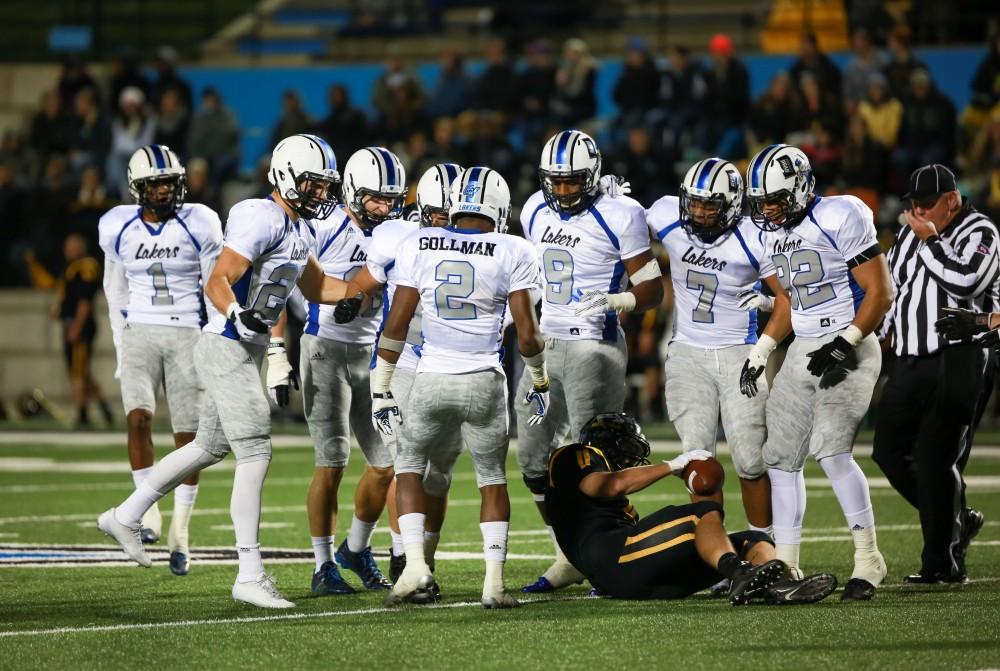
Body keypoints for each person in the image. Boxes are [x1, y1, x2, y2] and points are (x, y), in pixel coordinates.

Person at [97, 134, 351, 608]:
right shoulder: (261, 216)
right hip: (225, 342)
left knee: (207, 446)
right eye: (313, 185)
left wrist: (359, 289)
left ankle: (125, 515)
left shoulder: (301, 229)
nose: (321, 194)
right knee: (255, 450)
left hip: (245, 348)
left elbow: (319, 287)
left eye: (324, 186)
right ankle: (249, 573)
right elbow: (218, 279)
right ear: (285, 176)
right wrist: (237, 314)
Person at [371, 166, 549, 609]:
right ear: (499, 208)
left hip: (430, 377)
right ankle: (494, 584)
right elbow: (527, 334)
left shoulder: (420, 243)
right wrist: (541, 376)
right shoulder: (514, 248)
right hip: (484, 379)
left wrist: (381, 384)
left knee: (410, 468)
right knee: (491, 479)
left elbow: (396, 322)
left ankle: (414, 566)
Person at [740, 144, 892, 601]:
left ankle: (868, 558)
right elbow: (789, 301)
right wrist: (763, 347)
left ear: (803, 187)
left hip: (851, 342)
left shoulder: (841, 214)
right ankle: (787, 562)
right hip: (804, 347)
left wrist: (846, 342)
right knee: (779, 457)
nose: (768, 209)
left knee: (831, 453)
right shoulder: (767, 232)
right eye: (761, 201)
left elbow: (880, 292)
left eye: (777, 199)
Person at [517, 129, 664, 593]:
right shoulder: (532, 209)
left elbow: (653, 289)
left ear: (593, 176)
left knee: (593, 458)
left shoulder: (622, 213)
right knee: (533, 460)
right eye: (555, 181)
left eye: (572, 181)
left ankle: (611, 554)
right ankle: (568, 553)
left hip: (594, 346)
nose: (561, 191)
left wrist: (615, 300)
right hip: (545, 346)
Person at [281, 146, 408, 596]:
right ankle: (322, 566)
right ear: (353, 190)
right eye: (375, 197)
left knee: (387, 464)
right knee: (332, 461)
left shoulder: (399, 230)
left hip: (373, 357)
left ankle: (356, 548)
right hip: (325, 349)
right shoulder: (324, 223)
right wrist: (279, 347)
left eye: (391, 198)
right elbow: (280, 275)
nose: (384, 207)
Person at [546, 413, 837, 604]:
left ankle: (777, 588)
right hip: (614, 560)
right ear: (608, 445)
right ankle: (738, 572)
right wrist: (671, 466)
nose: (634, 459)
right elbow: (603, 486)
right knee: (700, 515)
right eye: (630, 451)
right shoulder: (573, 455)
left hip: (641, 576)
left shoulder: (619, 507)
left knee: (755, 540)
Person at [334, 162, 465, 588]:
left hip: (452, 365)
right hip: (403, 363)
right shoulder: (396, 235)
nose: (449, 224)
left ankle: (405, 556)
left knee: (437, 476)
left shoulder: (490, 243)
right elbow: (364, 280)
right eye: (440, 215)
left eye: (455, 215)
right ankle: (402, 559)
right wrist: (352, 296)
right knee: (402, 462)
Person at [98, 145, 223, 576]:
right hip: (139, 331)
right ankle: (147, 514)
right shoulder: (118, 227)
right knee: (138, 419)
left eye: (169, 182)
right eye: (155, 184)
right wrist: (120, 343)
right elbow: (115, 291)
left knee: (189, 438)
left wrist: (211, 340)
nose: (164, 191)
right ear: (138, 188)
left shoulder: (200, 223)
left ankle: (181, 531)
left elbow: (214, 287)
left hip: (187, 329)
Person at [874, 164, 996, 583]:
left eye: (927, 203)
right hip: (909, 361)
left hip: (957, 359)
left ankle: (942, 564)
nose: (918, 211)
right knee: (887, 452)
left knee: (935, 460)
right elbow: (896, 288)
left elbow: (965, 283)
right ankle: (958, 517)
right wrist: (879, 336)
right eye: (913, 204)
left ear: (952, 199)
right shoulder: (911, 231)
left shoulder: (982, 233)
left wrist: (932, 241)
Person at [645, 159, 773, 541]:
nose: (699, 211)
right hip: (688, 354)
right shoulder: (667, 214)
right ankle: (717, 555)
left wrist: (765, 306)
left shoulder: (756, 236)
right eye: (695, 202)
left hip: (740, 354)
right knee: (698, 461)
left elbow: (786, 297)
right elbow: (625, 224)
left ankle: (762, 546)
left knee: (751, 461)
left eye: (710, 204)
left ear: (732, 204)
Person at [56, 233, 114, 428]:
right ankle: (104, 408)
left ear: (81, 247)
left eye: (71, 246)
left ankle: (82, 415)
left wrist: (77, 325)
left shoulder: (86, 266)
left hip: (79, 325)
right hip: (72, 323)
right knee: (82, 371)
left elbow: (84, 300)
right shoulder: (72, 267)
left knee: (78, 372)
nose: (67, 249)